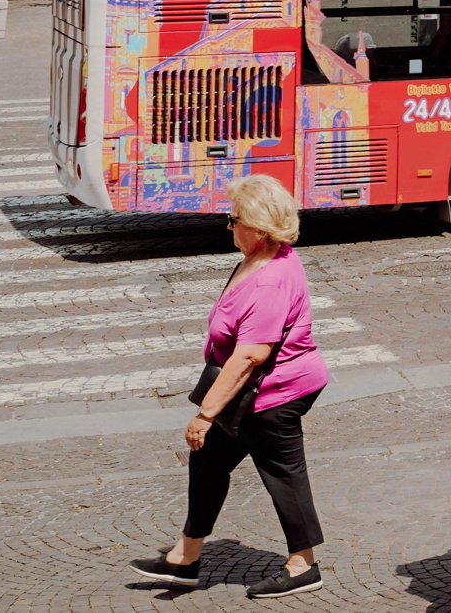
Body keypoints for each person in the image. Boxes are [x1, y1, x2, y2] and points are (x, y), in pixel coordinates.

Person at [134, 175, 329, 597]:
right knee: (207, 463)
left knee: (282, 472)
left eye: (234, 219)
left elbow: (250, 356)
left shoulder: (269, 279)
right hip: (246, 389)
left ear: (257, 227)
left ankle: (303, 566)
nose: (229, 226)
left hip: (275, 392)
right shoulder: (261, 257)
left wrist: (206, 414)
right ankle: (185, 558)